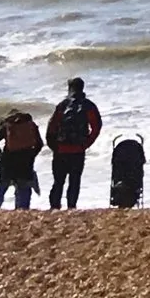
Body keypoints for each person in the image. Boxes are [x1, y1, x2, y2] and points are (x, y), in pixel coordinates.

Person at [45, 79, 102, 209]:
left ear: (70, 88)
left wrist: (54, 146)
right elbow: (96, 127)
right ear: (82, 88)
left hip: (61, 150)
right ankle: (71, 207)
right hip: (78, 150)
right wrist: (86, 143)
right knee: (74, 181)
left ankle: (55, 207)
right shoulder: (89, 106)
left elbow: (52, 127)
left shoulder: (63, 105)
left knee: (58, 181)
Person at [0, 110, 42, 210]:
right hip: (26, 161)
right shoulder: (30, 125)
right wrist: (32, 155)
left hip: (8, 161)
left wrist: (0, 155)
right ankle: (22, 209)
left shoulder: (7, 126)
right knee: (24, 188)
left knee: (3, 188)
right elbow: (39, 144)